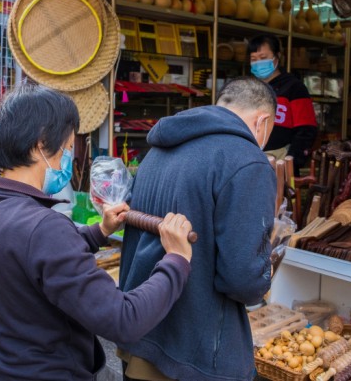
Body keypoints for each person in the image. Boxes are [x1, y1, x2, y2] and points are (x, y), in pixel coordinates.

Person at [0, 84, 194, 381]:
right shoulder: (43, 228)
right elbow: (123, 319)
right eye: (68, 148)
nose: (70, 158)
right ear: (41, 144)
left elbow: (31, 260)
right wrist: (176, 260)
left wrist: (100, 230)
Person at [118, 77, 278, 381]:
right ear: (263, 121)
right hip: (196, 355)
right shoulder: (247, 160)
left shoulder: (158, 149)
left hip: (140, 338)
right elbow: (242, 279)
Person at [249, 34, 318, 172]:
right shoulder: (248, 88)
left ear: (277, 56)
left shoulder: (294, 87)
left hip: (281, 161)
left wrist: (292, 161)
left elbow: (306, 129)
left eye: (263, 58)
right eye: (253, 59)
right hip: (251, 160)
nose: (258, 63)